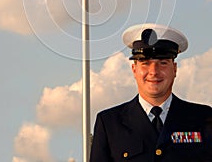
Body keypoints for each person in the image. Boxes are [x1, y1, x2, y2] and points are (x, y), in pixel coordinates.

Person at [89, 23, 212, 162]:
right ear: (134, 69)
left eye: (163, 63)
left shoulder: (203, 119)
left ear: (175, 69)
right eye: (145, 63)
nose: (154, 71)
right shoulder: (109, 124)